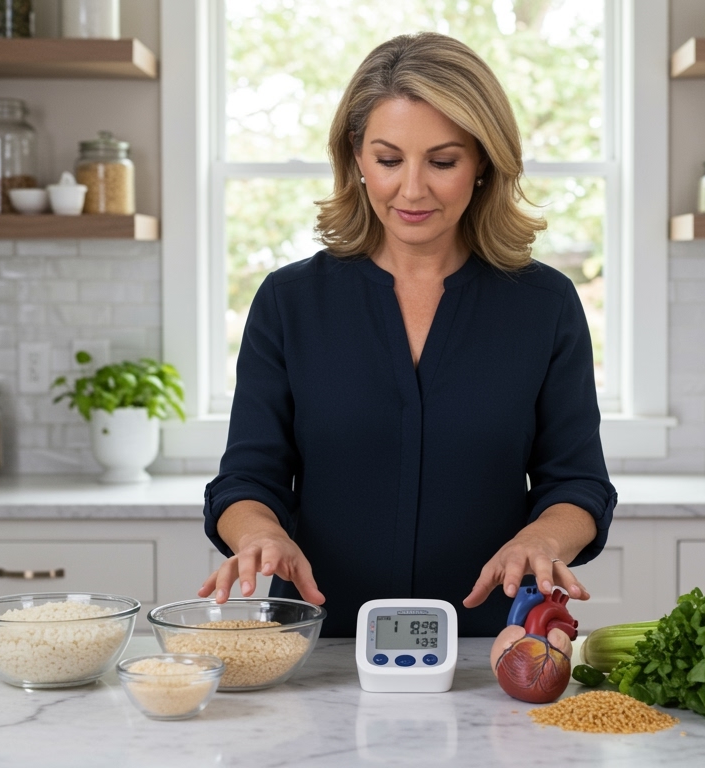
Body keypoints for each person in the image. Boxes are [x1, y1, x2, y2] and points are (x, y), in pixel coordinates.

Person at [201, 31, 616, 638]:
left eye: (443, 161)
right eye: (389, 159)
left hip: (495, 651)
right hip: (320, 650)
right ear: (357, 157)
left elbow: (578, 482)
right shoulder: (289, 302)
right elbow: (246, 478)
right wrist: (261, 534)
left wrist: (542, 537)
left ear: (483, 163)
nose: (412, 189)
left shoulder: (544, 303)